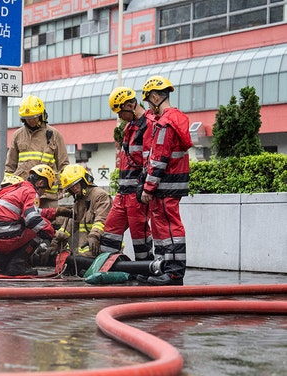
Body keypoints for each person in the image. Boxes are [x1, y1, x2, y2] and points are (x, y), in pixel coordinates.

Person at [138, 75, 193, 286]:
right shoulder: (172, 121)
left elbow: (159, 159)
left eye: (148, 101)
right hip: (168, 186)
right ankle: (164, 268)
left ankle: (174, 273)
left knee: (170, 229)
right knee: (162, 229)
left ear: (154, 97)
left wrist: (148, 188)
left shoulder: (166, 124)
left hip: (165, 186)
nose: (148, 107)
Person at [0, 165, 66, 276]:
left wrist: (56, 212)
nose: (43, 193)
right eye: (45, 189)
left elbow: (32, 212)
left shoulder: (18, 189)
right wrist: (52, 233)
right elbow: (32, 219)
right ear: (40, 183)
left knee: (28, 225)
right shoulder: (31, 192)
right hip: (7, 235)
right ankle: (17, 265)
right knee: (38, 229)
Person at [100, 87, 153, 261]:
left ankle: (145, 270)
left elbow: (150, 160)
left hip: (136, 194)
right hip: (123, 194)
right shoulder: (130, 127)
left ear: (130, 105)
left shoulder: (148, 124)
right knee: (110, 232)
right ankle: (108, 267)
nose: (120, 117)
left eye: (121, 112)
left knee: (140, 236)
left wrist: (145, 188)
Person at [5, 95, 69, 208]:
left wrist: (62, 186)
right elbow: (10, 165)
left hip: (48, 193)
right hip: (22, 192)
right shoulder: (18, 135)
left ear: (41, 115)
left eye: (34, 117)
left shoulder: (54, 134)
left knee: (49, 223)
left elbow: (63, 164)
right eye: (28, 117)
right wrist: (7, 187)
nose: (31, 120)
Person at [52, 164, 112, 260]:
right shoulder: (79, 201)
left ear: (84, 181)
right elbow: (69, 226)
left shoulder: (100, 196)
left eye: (76, 183)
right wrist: (55, 242)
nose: (74, 188)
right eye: (71, 186)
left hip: (104, 251)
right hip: (86, 255)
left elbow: (102, 219)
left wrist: (94, 236)